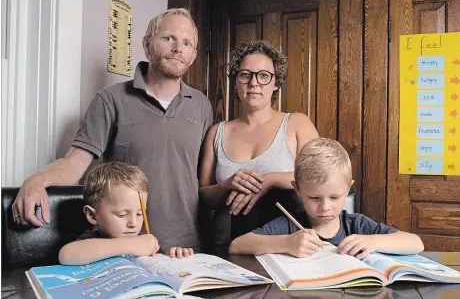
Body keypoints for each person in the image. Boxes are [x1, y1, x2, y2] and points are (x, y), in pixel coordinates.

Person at [12, 8, 213, 253]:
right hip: (123, 249)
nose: (178, 48)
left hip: (187, 250)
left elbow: (204, 182)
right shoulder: (110, 99)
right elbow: (74, 164)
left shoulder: (202, 105)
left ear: (192, 55)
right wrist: (36, 181)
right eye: (168, 38)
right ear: (147, 44)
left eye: (187, 43)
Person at [199, 40, 319, 254]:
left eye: (263, 76)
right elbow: (204, 195)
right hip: (230, 250)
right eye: (245, 75)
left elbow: (320, 178)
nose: (254, 83)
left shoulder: (297, 124)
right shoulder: (216, 132)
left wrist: (269, 180)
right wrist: (226, 185)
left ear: (276, 83)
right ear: (236, 83)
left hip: (291, 248)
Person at [229, 138, 424, 259]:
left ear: (348, 189)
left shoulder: (356, 225)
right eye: (314, 197)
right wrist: (287, 243)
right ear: (297, 190)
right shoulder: (288, 226)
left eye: (334, 197)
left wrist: (373, 242)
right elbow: (236, 245)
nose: (325, 207)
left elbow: (416, 243)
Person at [59, 162, 194, 265]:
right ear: (93, 215)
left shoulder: (145, 242)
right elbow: (66, 255)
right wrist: (132, 245)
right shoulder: (89, 240)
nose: (134, 224)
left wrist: (175, 257)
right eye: (122, 215)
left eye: (140, 214)